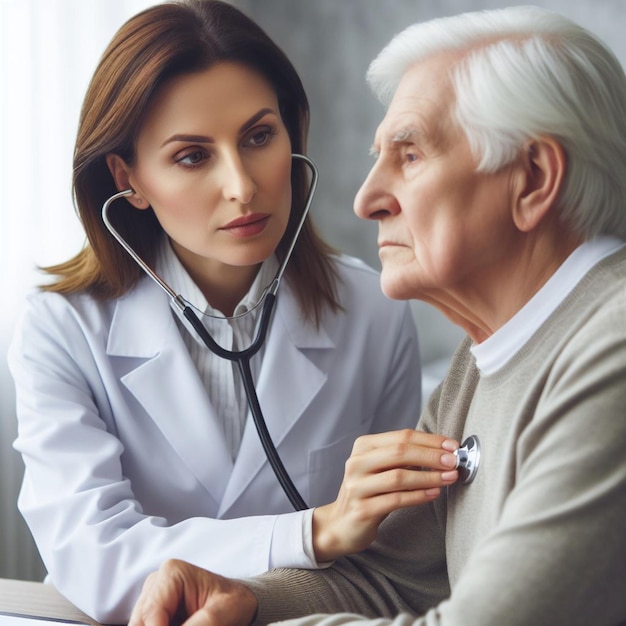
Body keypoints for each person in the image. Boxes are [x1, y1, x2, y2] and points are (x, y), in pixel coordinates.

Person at [127, 5, 626, 626]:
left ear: (532, 178)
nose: (365, 199)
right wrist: (249, 602)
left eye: (410, 154)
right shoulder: (483, 360)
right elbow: (396, 581)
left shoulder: (613, 352)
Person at [6, 1, 464, 623]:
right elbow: (97, 555)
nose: (243, 186)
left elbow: (395, 554)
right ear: (127, 179)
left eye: (258, 136)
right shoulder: (62, 327)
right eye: (193, 156)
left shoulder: (372, 310)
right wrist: (316, 531)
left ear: (291, 135)